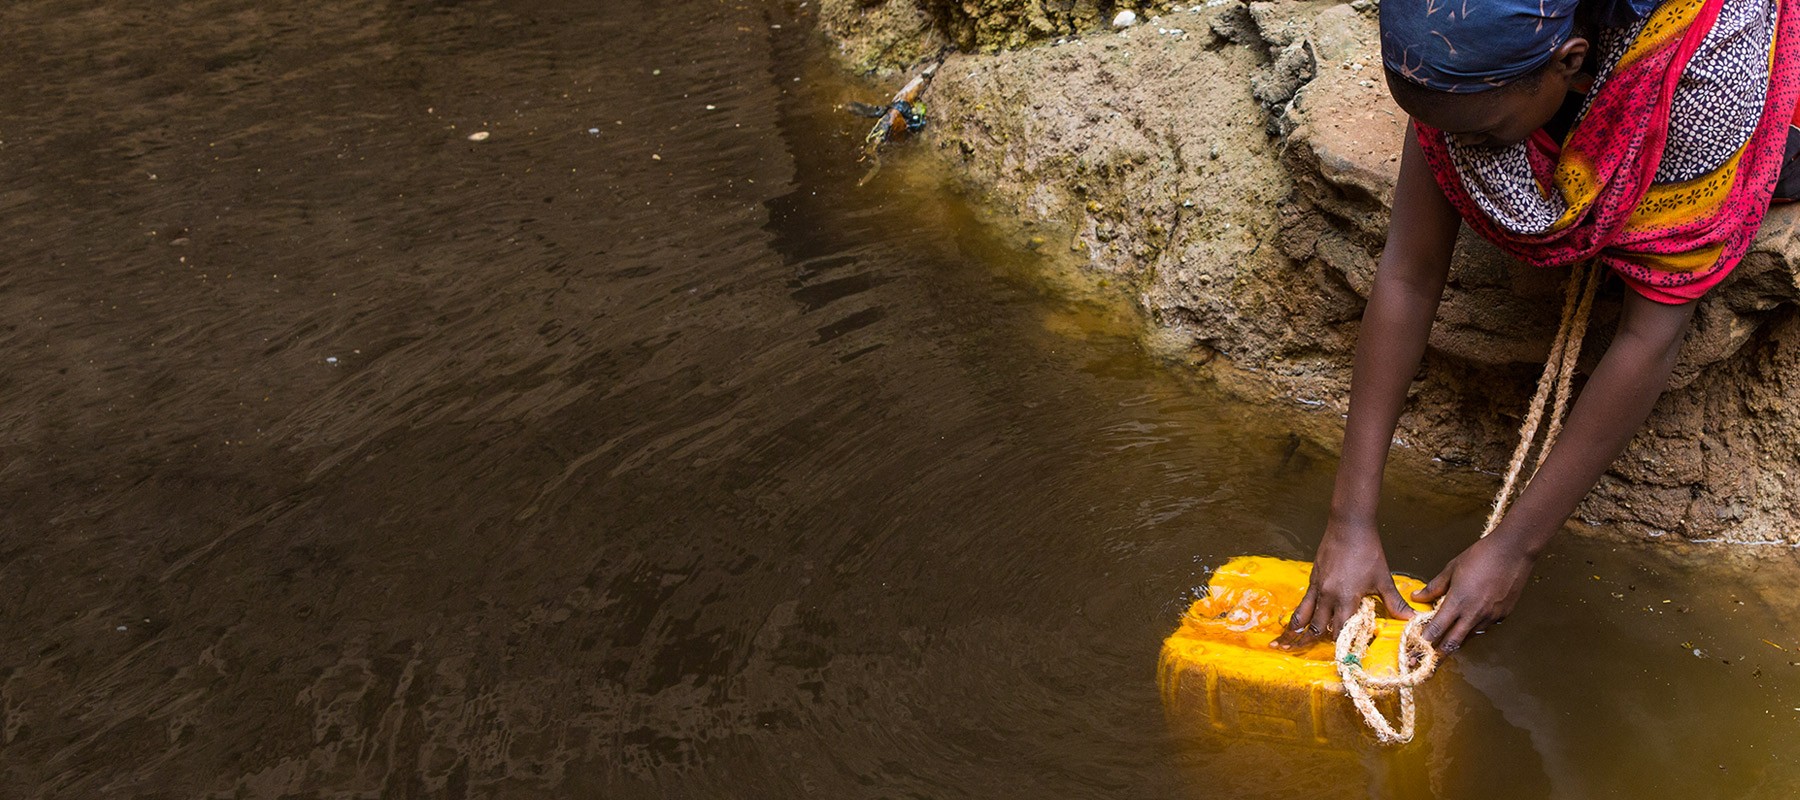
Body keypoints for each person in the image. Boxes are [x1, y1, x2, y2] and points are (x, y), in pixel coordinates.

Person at [1274, 0, 1800, 653]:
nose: (1467, 153)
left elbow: (1651, 333)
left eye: (1488, 136)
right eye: (1438, 128)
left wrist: (1516, 548)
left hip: (1688, 72)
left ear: (1571, 64)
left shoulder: (1709, 82)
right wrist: (1349, 520)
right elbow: (1409, 273)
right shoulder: (1454, 42)